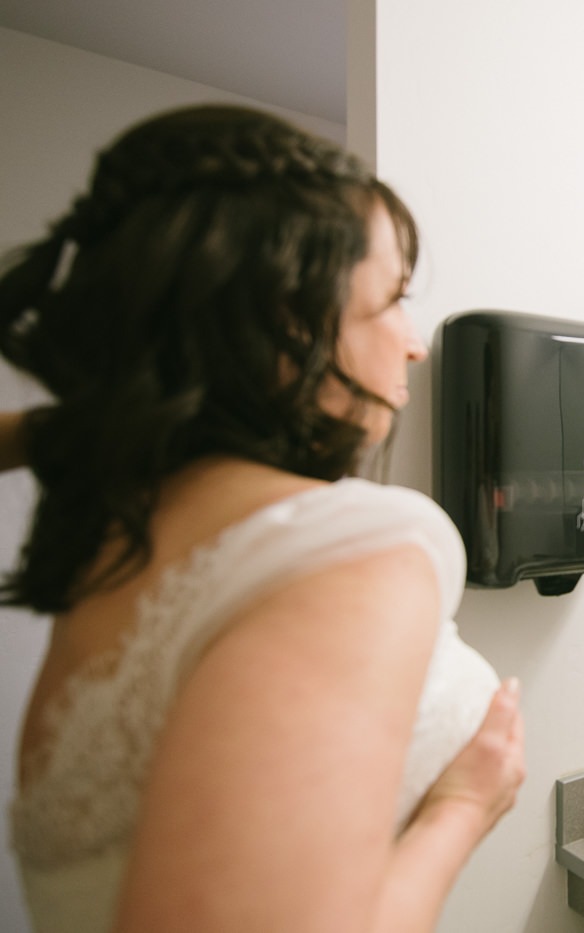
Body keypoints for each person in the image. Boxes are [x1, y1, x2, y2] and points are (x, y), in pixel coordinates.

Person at [0, 105, 526, 933]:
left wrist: (121, 409)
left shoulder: (127, 527)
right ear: (289, 320)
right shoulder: (346, 553)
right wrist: (462, 807)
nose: (415, 342)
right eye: (392, 299)